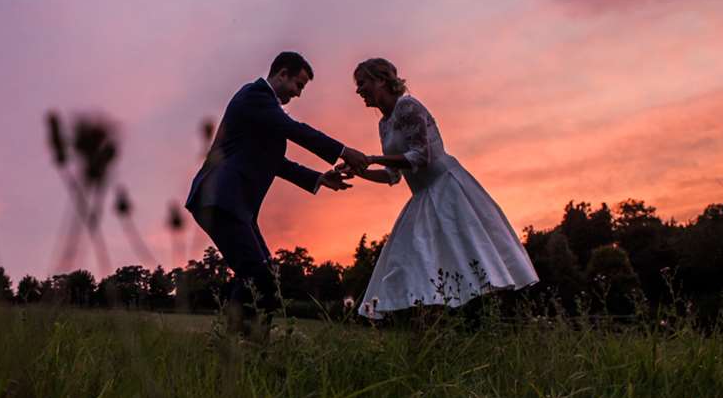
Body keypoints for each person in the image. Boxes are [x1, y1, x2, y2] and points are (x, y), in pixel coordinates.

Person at [185, 51, 367, 333]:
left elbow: (275, 162)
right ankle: (243, 344)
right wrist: (343, 151)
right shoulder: (254, 95)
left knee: (264, 275)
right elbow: (295, 129)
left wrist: (319, 177)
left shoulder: (263, 111)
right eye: (299, 85)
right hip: (219, 199)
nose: (298, 93)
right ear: (282, 73)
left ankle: (244, 343)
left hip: (236, 206)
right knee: (257, 274)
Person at [344, 58, 538, 318]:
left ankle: (496, 319)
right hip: (422, 195)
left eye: (362, 83)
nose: (359, 90)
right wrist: (360, 170)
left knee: (471, 255)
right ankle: (436, 324)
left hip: (447, 189)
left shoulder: (408, 107)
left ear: (380, 79)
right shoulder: (384, 124)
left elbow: (421, 156)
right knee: (413, 260)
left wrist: (371, 158)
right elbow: (393, 175)